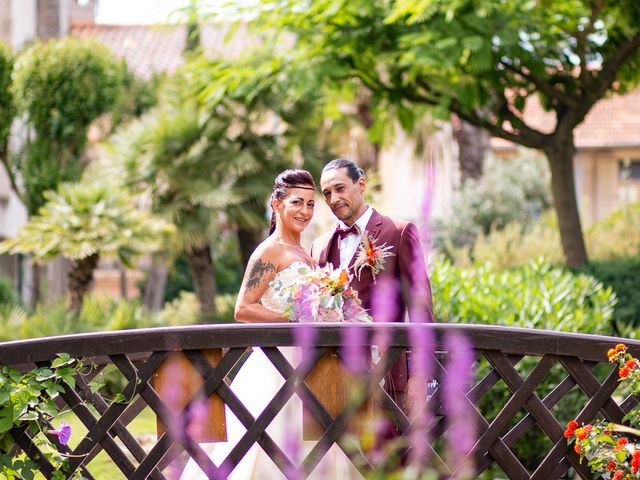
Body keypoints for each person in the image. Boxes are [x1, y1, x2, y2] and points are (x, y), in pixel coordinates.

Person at [181, 169, 360, 479]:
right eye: (296, 203)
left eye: (310, 203)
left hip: (311, 367)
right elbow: (243, 308)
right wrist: (292, 321)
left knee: (315, 448)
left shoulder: (306, 253)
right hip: (275, 368)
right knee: (267, 444)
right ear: (277, 204)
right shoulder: (269, 251)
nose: (305, 211)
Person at [310, 158, 434, 415]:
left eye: (340, 188)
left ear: (361, 184)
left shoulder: (399, 232)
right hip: (331, 380)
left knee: (389, 454)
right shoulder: (319, 246)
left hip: (386, 376)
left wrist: (420, 376)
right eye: (327, 193)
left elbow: (421, 310)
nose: (333, 199)